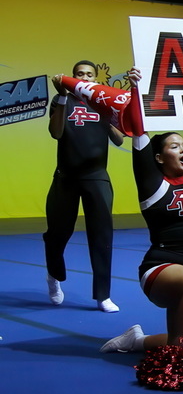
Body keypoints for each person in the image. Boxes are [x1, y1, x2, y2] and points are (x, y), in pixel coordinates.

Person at [101, 68, 183, 377]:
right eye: (173, 146)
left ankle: (136, 340)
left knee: (173, 342)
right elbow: (139, 134)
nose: (182, 149)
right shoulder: (152, 183)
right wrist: (137, 90)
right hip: (160, 270)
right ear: (159, 157)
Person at [44, 60, 122, 313]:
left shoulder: (102, 103)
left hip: (96, 176)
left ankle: (103, 295)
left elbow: (119, 140)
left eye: (89, 74)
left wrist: (107, 113)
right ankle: (54, 276)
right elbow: (56, 133)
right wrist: (63, 98)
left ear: (95, 80)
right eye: (80, 74)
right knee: (57, 232)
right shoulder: (61, 100)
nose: (84, 77)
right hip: (66, 176)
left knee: (102, 236)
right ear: (72, 77)